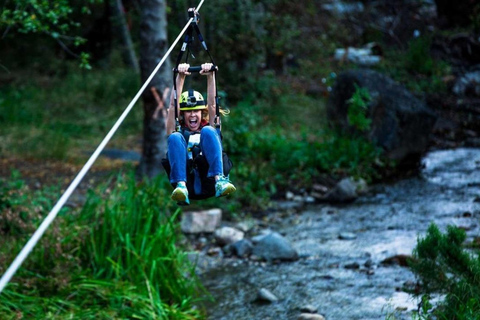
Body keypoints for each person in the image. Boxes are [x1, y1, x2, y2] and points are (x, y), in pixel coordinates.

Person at [165, 62, 236, 205]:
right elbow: (173, 107)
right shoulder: (179, 132)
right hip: (188, 182)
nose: (192, 115)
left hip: (209, 181)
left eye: (196, 111)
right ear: (183, 115)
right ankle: (181, 186)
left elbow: (212, 105)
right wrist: (181, 76)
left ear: (201, 113)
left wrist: (210, 76)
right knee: (174, 136)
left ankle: (220, 180)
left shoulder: (210, 128)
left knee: (209, 130)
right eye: (188, 111)